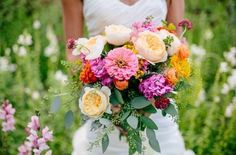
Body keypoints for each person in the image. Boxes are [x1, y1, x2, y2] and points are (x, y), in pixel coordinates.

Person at [62, 0, 194, 155]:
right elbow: (72, 54)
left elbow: (177, 46)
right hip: (104, 107)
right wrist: (109, 101)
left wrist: (152, 95)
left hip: (155, 107)